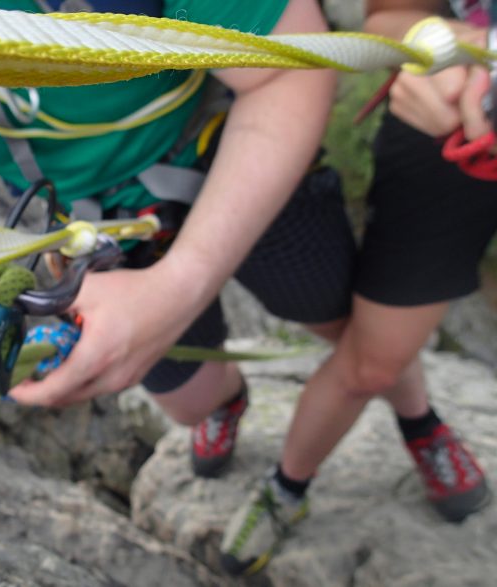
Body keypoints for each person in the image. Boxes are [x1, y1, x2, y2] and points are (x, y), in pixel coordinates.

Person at [0, 0, 355, 484]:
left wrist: (184, 283)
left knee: (341, 321)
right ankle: (224, 404)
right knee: (189, 401)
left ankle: (387, 401)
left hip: (240, 154)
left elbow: (289, 69)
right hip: (97, 230)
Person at [218, 0, 494, 576]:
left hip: (461, 129)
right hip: (446, 140)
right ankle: (289, 487)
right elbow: (388, 19)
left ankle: (419, 428)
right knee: (372, 364)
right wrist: (446, 40)